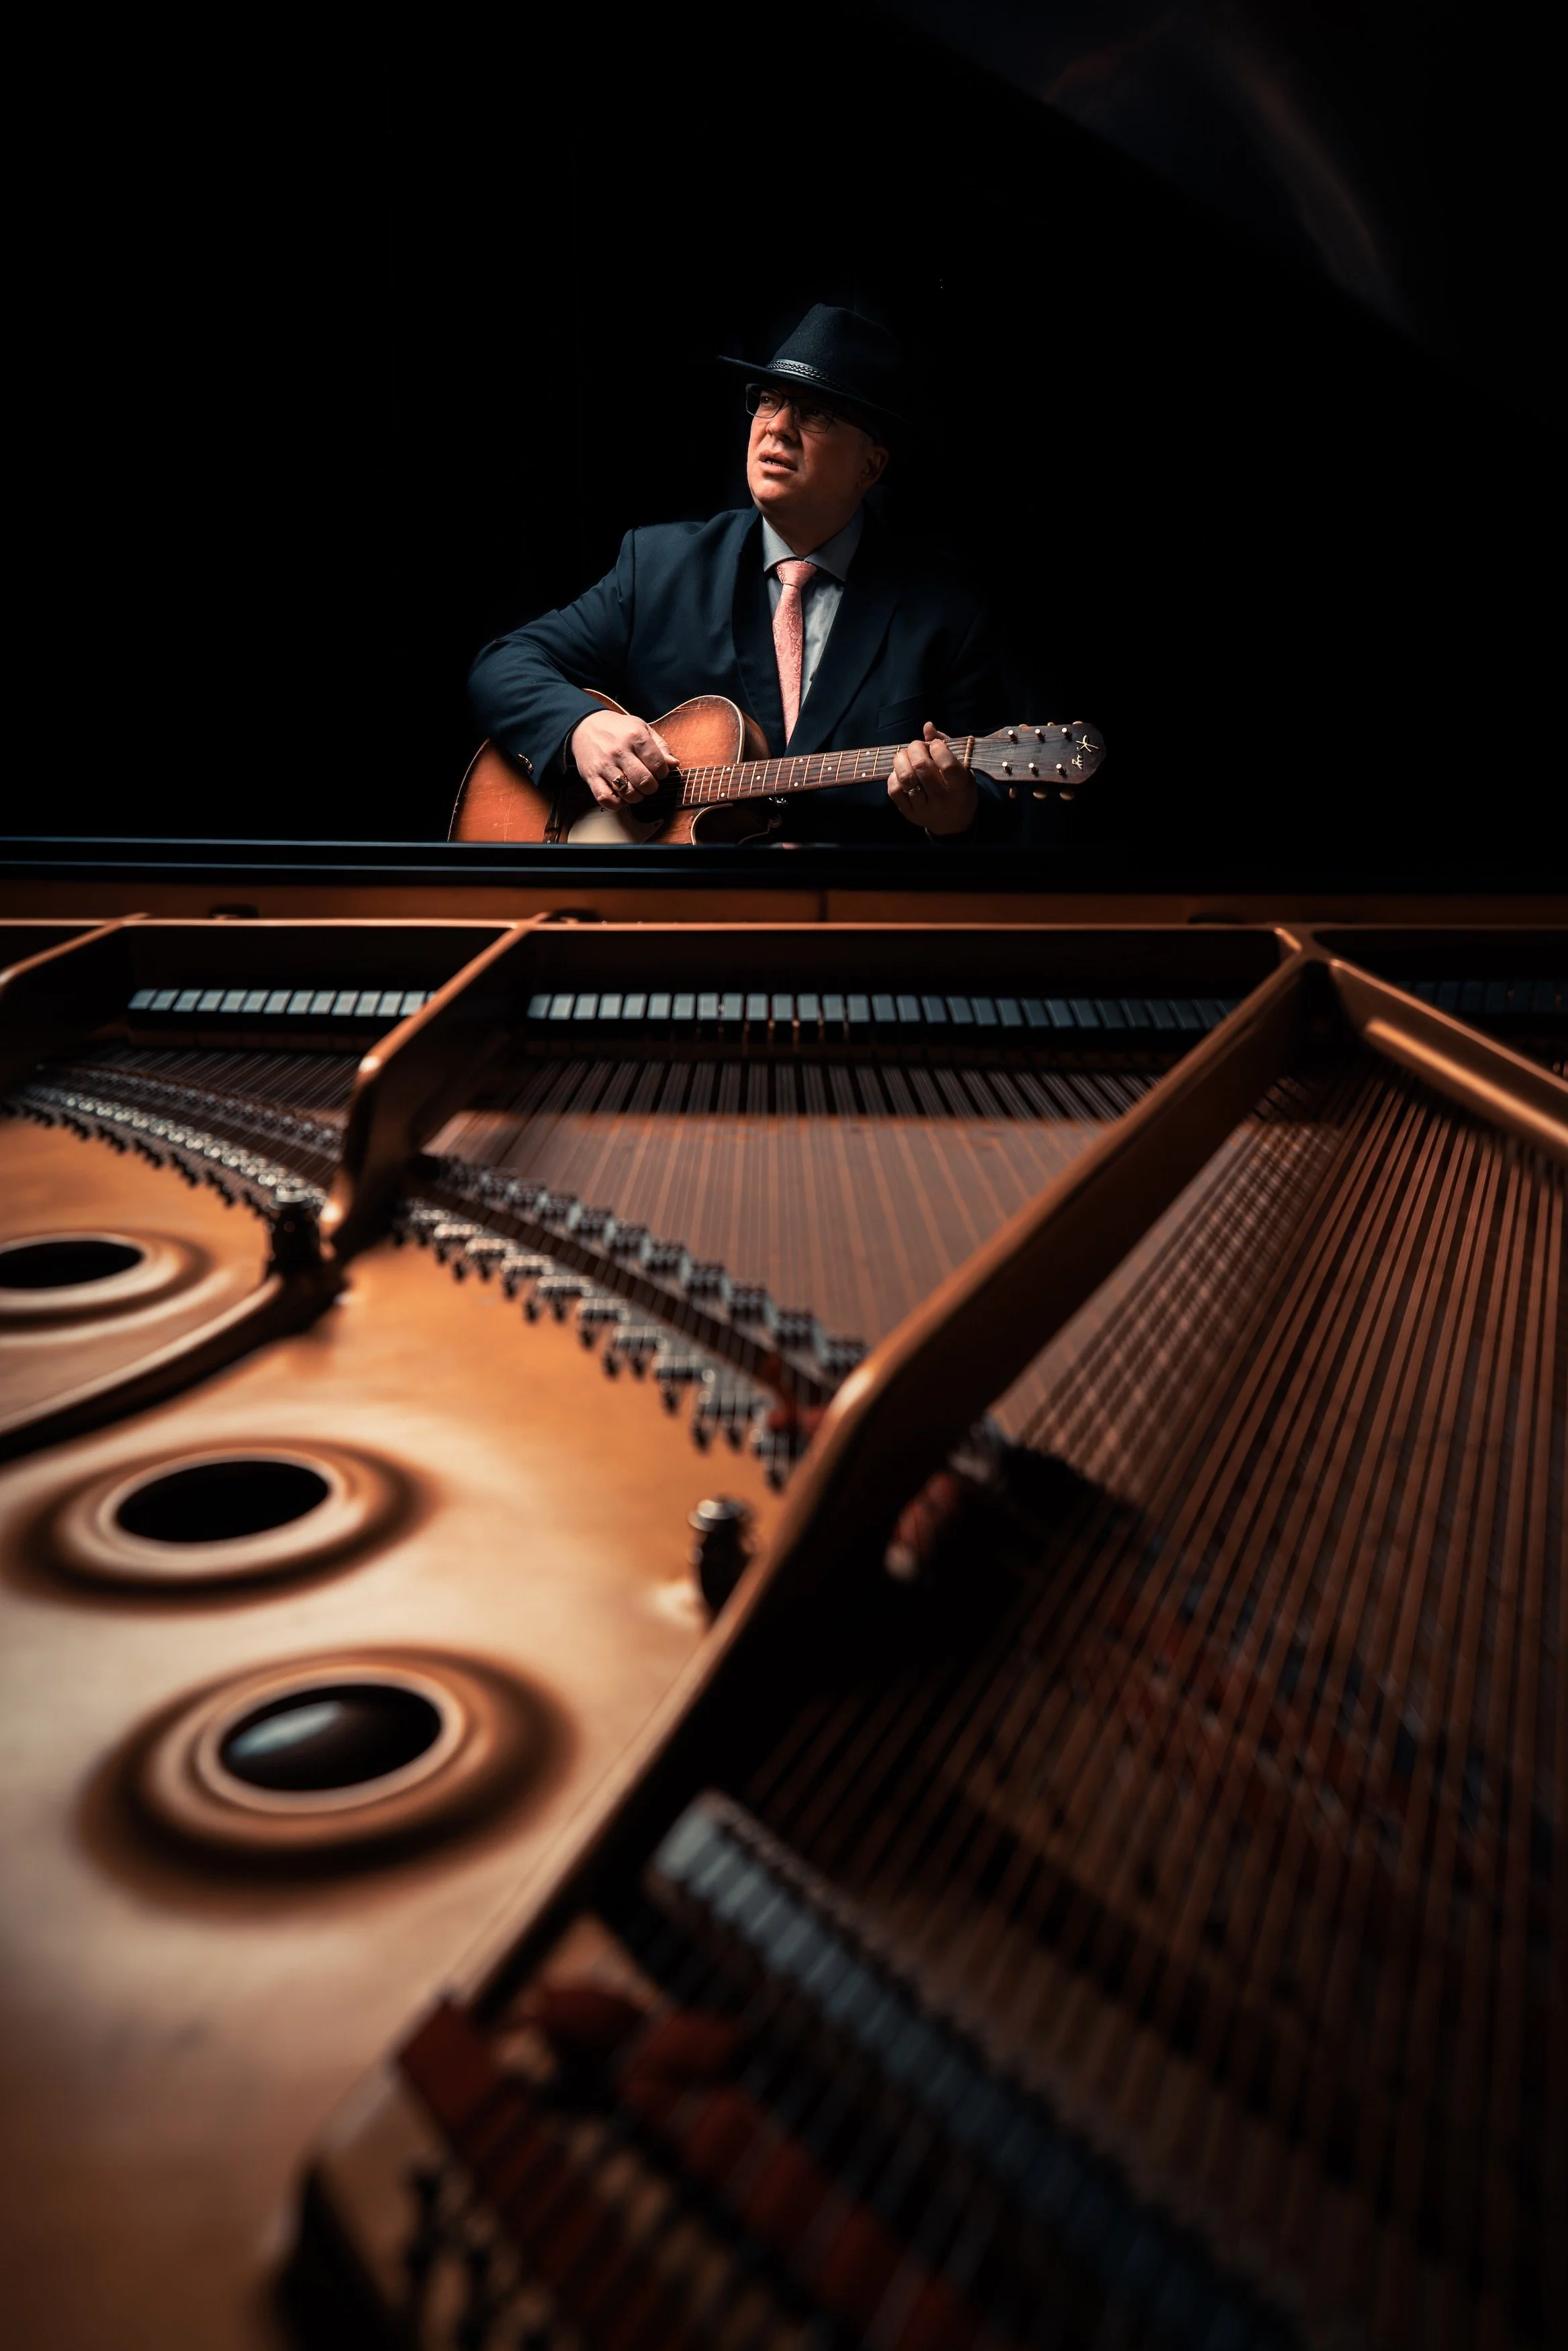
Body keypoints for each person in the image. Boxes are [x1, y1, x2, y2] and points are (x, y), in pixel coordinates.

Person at [468, 306, 1016, 844]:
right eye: (769, 401)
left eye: (814, 412)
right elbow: (503, 666)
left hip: (852, 918)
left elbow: (994, 804)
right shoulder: (659, 567)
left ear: (869, 466)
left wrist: (955, 812)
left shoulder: (946, 609)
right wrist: (579, 727)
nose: (777, 427)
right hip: (669, 914)